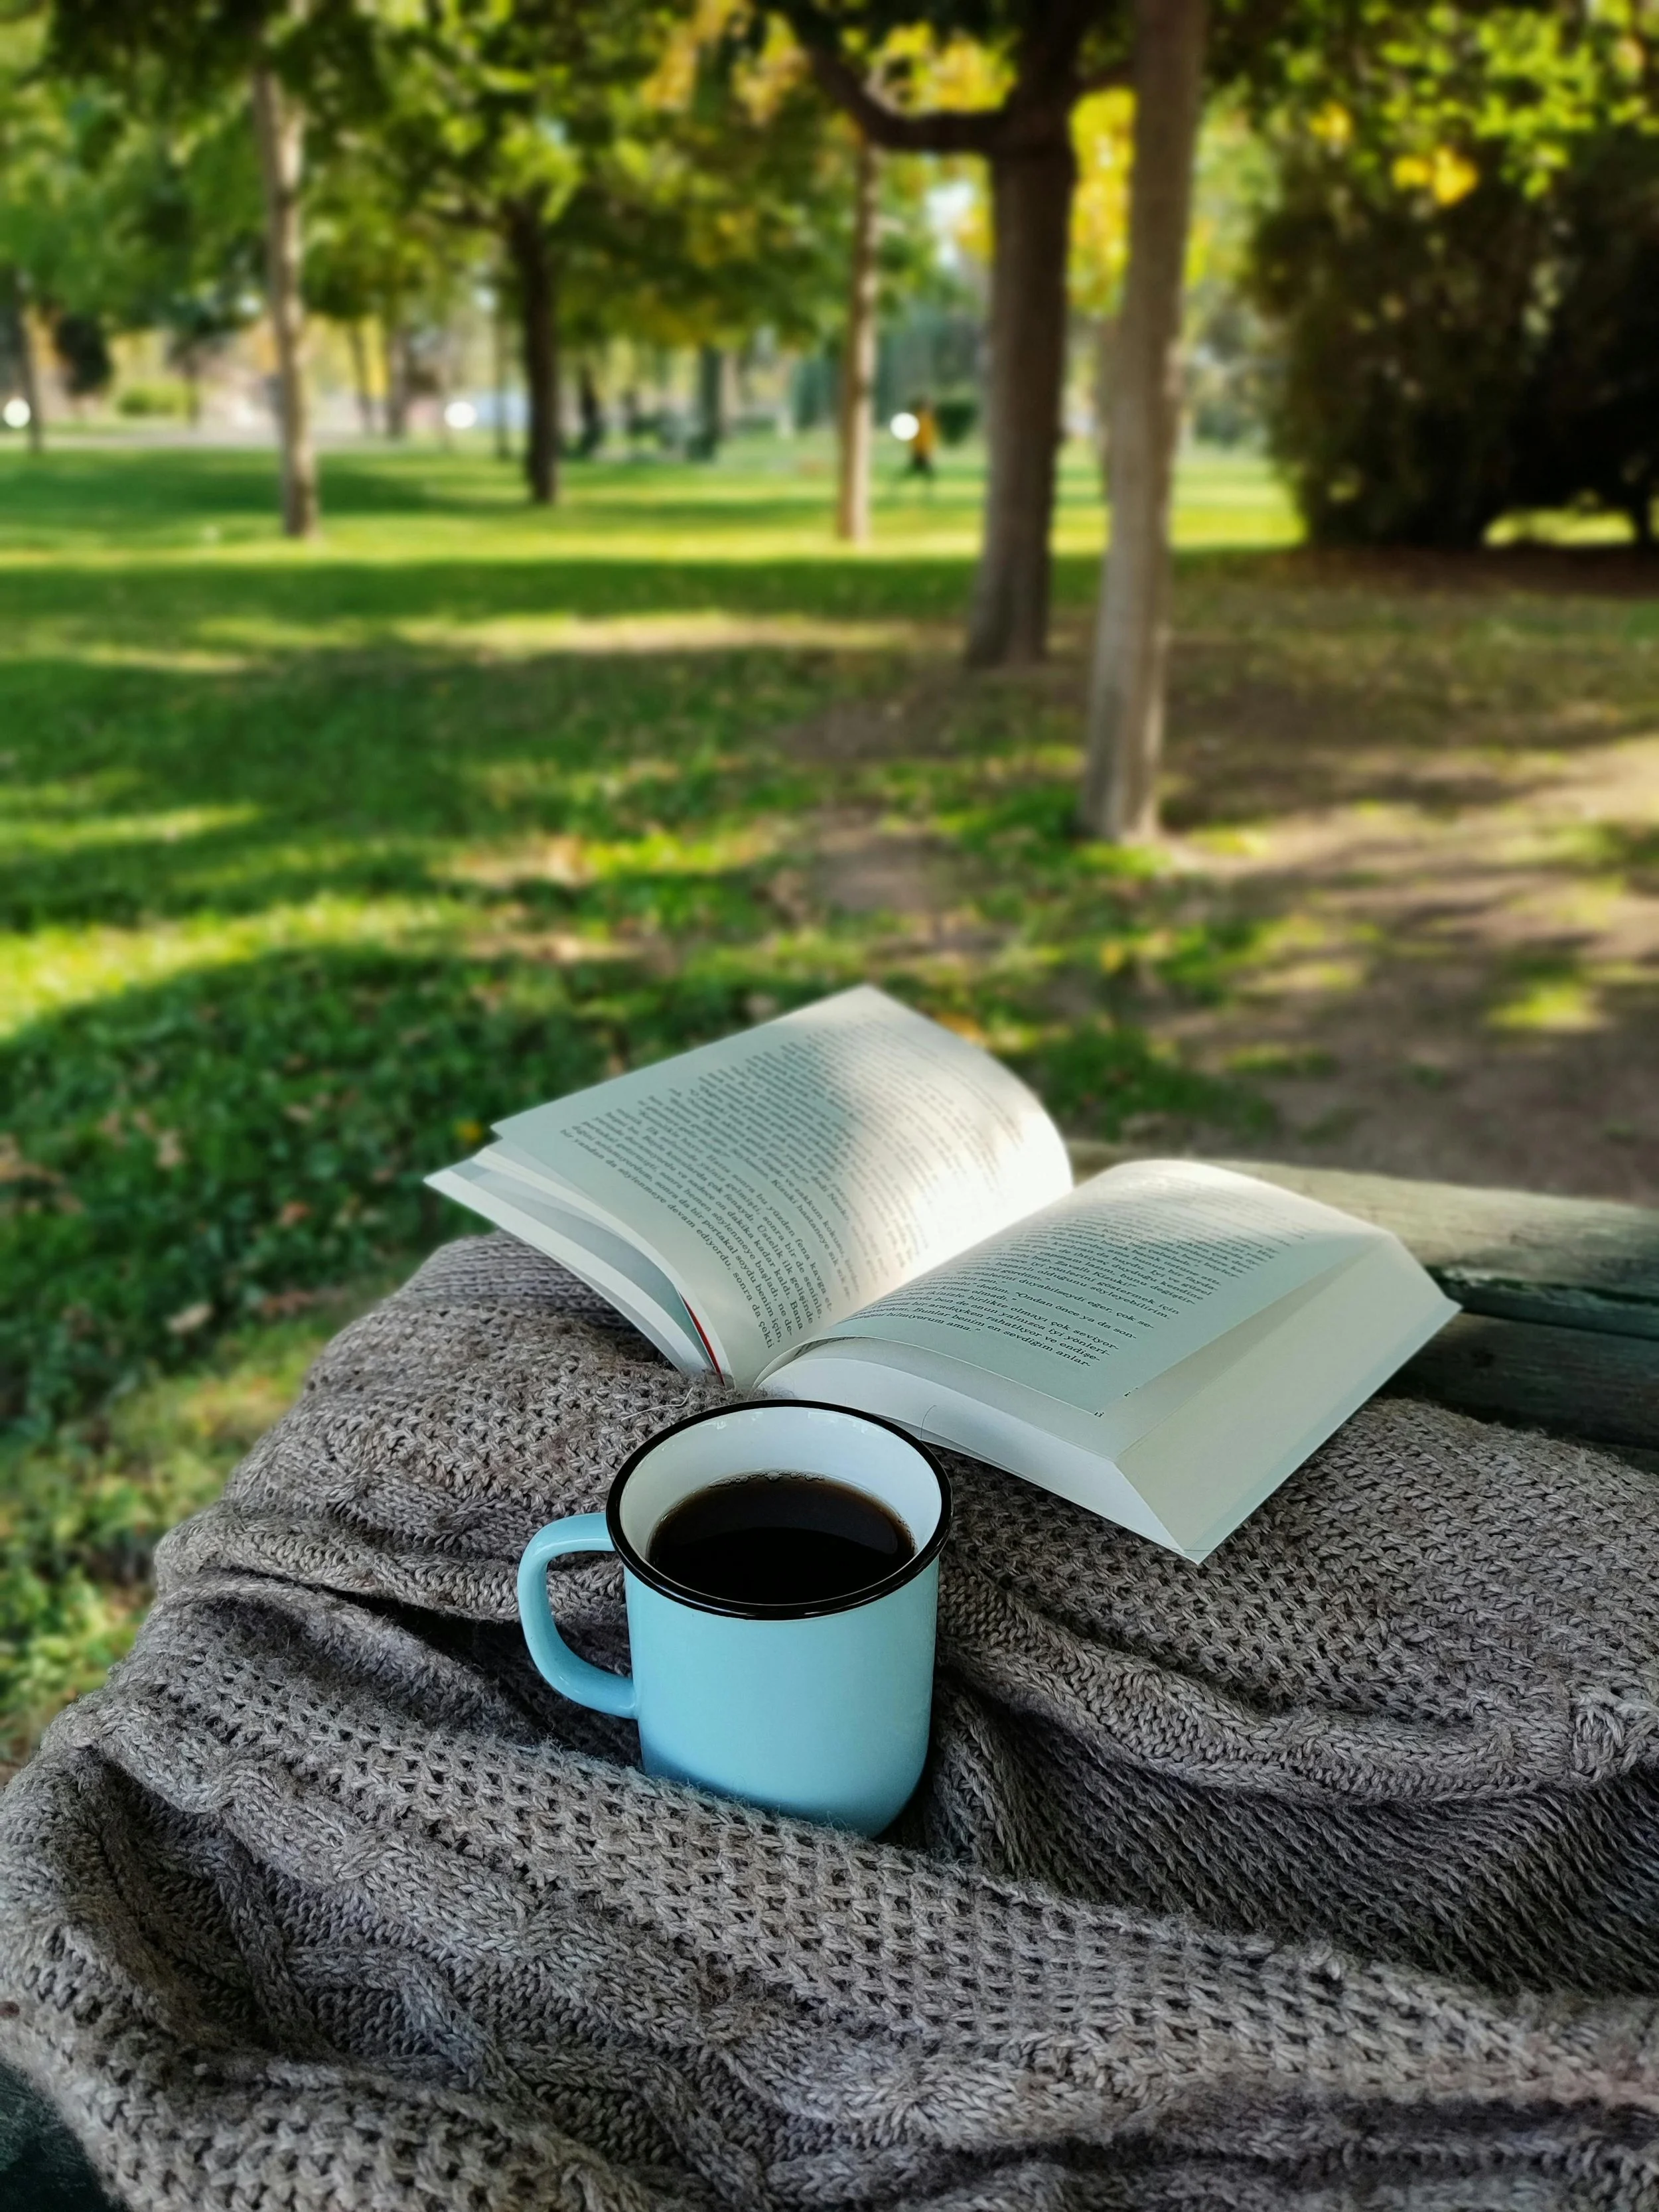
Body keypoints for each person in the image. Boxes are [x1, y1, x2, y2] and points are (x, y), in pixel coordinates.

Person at [907, 396, 938, 481]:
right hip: (921, 450)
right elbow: (919, 437)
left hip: (924, 449)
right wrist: (922, 449)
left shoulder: (928, 419)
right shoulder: (921, 419)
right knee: (926, 471)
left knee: (923, 471)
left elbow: (930, 437)